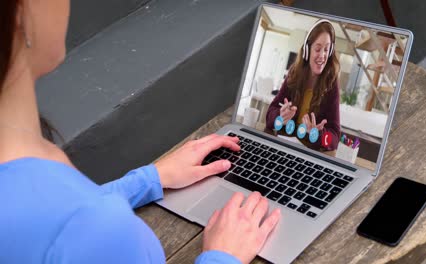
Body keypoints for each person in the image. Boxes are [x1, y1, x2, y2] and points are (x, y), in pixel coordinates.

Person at [0, 0, 281, 263]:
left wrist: (148, 179)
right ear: (22, 11)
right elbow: (72, 228)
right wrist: (222, 256)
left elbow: (47, 218)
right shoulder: (99, 233)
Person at [265, 20, 341, 151]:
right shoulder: (294, 73)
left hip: (308, 153)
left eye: (327, 49)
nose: (322, 55)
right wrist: (280, 115)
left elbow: (334, 138)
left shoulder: (331, 84)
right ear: (307, 50)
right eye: (317, 49)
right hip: (283, 146)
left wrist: (317, 134)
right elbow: (270, 115)